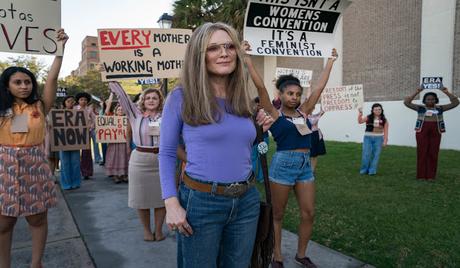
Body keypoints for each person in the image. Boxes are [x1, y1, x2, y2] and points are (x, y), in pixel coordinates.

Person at [159, 22, 273, 267]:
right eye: (213, 48)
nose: (224, 53)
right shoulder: (181, 96)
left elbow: (237, 147)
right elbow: (167, 152)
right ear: (199, 56)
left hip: (246, 200)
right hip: (201, 202)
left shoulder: (243, 98)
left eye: (230, 46)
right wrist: (171, 203)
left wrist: (257, 131)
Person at [244, 41, 337, 268]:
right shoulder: (275, 115)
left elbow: (318, 89)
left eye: (297, 94)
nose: (294, 97)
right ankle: (277, 256)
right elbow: (261, 89)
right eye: (290, 93)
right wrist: (247, 58)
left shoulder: (304, 112)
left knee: (308, 212)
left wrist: (331, 62)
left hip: (305, 165)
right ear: (281, 94)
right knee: (278, 214)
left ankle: (301, 254)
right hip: (283, 165)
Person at [0, 29, 68, 268]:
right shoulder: (1, 109)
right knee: (4, 223)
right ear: (7, 86)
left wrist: (59, 51)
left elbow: (51, 79)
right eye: (17, 82)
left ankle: (36, 263)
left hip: (34, 166)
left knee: (37, 218)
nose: (24, 86)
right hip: (4, 167)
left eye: (27, 81)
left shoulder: (40, 105)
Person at [108, 83, 167, 242]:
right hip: (140, 161)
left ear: (160, 100)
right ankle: (147, 231)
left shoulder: (166, 115)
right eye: (147, 97)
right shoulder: (135, 115)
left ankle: (159, 230)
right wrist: (113, 81)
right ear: (143, 100)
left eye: (155, 97)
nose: (151, 100)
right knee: (142, 199)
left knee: (163, 198)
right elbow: (124, 98)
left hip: (163, 160)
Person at [404, 87, 459, 180]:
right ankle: (421, 175)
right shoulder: (420, 108)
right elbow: (407, 102)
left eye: (433, 99)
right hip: (422, 131)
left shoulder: (440, 108)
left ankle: (431, 176)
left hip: (436, 131)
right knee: (422, 152)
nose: (430, 101)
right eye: (428, 99)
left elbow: (456, 103)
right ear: (424, 100)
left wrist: (446, 92)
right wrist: (417, 91)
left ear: (436, 100)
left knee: (433, 153)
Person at [104, 93, 130, 183]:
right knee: (114, 158)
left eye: (122, 109)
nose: (120, 110)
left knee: (124, 157)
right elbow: (107, 111)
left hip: (124, 142)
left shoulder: (127, 119)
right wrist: (111, 94)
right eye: (118, 109)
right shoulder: (111, 119)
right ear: (115, 111)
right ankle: (116, 175)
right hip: (113, 143)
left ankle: (124, 174)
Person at [357, 103, 389, 175]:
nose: (378, 111)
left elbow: (386, 131)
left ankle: (372, 171)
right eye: (376, 109)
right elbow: (360, 121)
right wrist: (360, 113)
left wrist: (385, 140)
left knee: (376, 155)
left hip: (379, 139)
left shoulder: (384, 120)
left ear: (381, 110)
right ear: (372, 110)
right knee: (366, 154)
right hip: (368, 138)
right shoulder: (369, 117)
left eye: (379, 109)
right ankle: (364, 170)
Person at [59, 95, 82, 190]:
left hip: (75, 141)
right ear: (64, 102)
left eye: (72, 101)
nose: (70, 103)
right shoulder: (58, 113)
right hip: (62, 142)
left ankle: (76, 182)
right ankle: (66, 183)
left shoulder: (79, 113)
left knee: (75, 163)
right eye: (68, 101)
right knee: (65, 163)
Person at [75, 92, 95, 180]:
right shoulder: (74, 109)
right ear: (78, 101)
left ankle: (86, 172)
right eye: (81, 99)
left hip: (87, 133)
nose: (83, 101)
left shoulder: (89, 110)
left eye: (85, 100)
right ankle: (76, 172)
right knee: (75, 152)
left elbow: (95, 120)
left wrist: (91, 126)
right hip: (75, 133)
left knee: (86, 153)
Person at [307, 106, 326, 172]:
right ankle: (307, 169)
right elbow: (312, 122)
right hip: (307, 135)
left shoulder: (314, 116)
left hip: (314, 135)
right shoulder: (303, 116)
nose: (311, 109)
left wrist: (322, 106)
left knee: (314, 154)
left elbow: (321, 112)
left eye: (312, 108)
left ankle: (312, 170)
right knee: (307, 153)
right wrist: (320, 114)